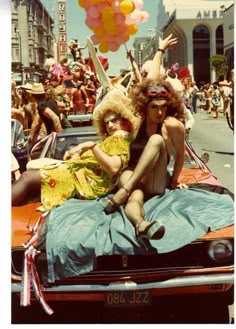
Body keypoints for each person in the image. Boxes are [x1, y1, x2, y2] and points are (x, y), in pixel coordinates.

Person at [103, 34, 186, 240]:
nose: (159, 112)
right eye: (154, 107)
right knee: (135, 197)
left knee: (156, 141)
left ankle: (123, 193)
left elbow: (181, 155)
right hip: (133, 177)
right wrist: (159, 50)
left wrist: (174, 180)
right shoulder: (137, 121)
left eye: (163, 107)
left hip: (156, 181)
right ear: (145, 107)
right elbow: (151, 79)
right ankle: (141, 225)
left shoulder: (172, 126)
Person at [12, 94, 139, 210]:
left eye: (114, 120)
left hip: (83, 181)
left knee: (27, 177)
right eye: (107, 122)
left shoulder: (121, 137)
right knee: (28, 178)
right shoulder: (111, 140)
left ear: (126, 122)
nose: (110, 125)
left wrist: (89, 146)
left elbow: (113, 168)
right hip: (78, 176)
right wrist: (78, 153)